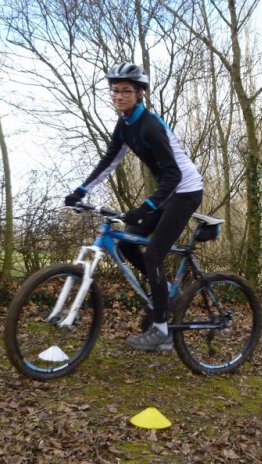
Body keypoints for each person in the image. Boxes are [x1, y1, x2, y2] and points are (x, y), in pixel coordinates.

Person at [64, 62, 203, 351]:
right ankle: (164, 292)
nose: (118, 96)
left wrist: (145, 207)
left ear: (139, 94)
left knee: (153, 254)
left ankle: (163, 331)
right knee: (127, 241)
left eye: (126, 91)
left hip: (186, 191)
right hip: (168, 191)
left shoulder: (150, 126)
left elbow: (174, 175)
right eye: (114, 91)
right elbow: (110, 160)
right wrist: (81, 190)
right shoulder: (124, 125)